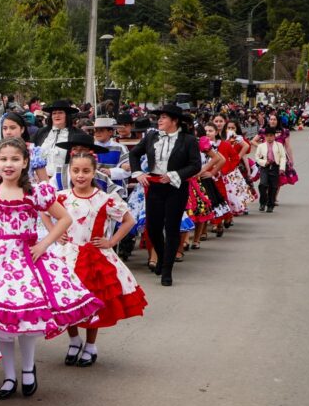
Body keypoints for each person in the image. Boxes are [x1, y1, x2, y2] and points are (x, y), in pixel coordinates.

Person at [0, 138, 102, 399]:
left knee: (27, 320)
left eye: (15, 159)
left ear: (25, 162)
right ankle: (8, 376)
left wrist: (44, 244)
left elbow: (64, 218)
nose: (9, 164)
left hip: (30, 259)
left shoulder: (36, 192)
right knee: (1, 324)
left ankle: (28, 370)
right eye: (3, 159)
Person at [51, 151, 146, 367]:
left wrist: (111, 241)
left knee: (93, 301)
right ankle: (74, 340)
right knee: (68, 300)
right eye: (75, 171)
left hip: (95, 257)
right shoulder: (62, 197)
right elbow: (44, 213)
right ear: (69, 171)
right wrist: (57, 233)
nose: (80, 175)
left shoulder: (105, 198)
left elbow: (129, 220)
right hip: (67, 255)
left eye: (86, 171)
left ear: (94, 172)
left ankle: (91, 345)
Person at [127, 104, 202, 287]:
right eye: (158, 117)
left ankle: (167, 270)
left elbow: (195, 165)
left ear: (174, 121)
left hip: (176, 187)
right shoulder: (152, 136)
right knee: (153, 227)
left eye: (163, 117)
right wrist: (138, 173)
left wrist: (174, 175)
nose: (159, 120)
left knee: (172, 227)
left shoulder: (188, 140)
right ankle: (161, 257)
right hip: (154, 186)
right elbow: (134, 155)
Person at [33, 100, 83, 175]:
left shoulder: (78, 135)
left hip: (64, 181)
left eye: (60, 112)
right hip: (39, 180)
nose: (57, 115)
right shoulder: (41, 133)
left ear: (67, 115)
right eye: (54, 113)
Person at [255, 126, 287, 211]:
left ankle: (270, 205)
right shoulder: (261, 146)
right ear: (265, 136)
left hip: (275, 167)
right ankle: (262, 202)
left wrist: (282, 168)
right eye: (267, 136)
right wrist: (264, 162)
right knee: (263, 184)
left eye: (271, 135)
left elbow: (283, 157)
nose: (269, 138)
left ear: (274, 136)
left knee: (273, 187)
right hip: (264, 167)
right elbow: (257, 158)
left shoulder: (279, 145)